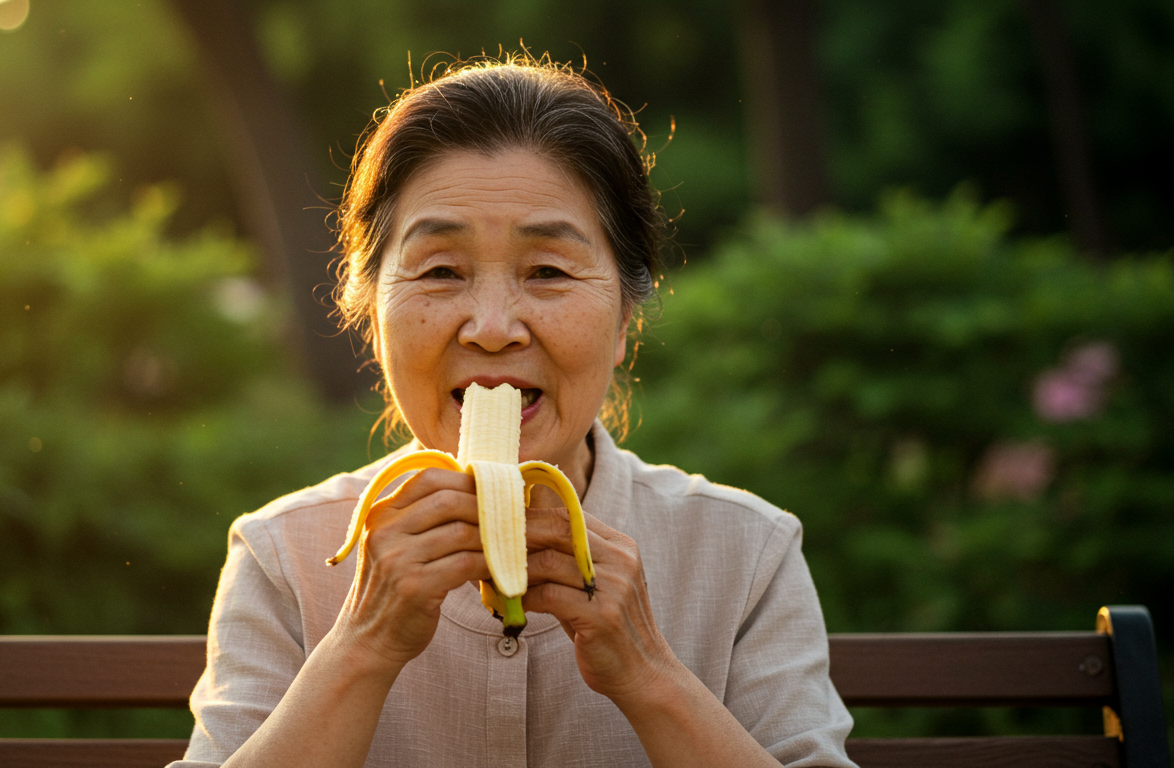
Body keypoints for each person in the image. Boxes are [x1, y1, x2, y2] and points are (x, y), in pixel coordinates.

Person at [169, 56, 857, 768]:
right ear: (372, 317)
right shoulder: (283, 557)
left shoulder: (746, 555)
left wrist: (650, 674)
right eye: (441, 271)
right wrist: (362, 646)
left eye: (548, 272)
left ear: (625, 319)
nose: (493, 327)